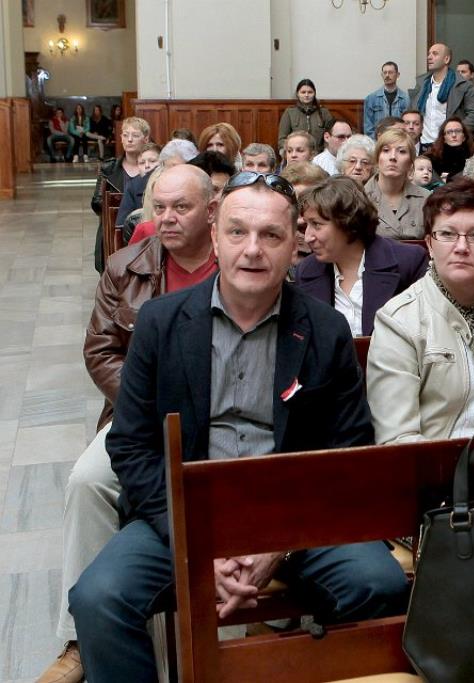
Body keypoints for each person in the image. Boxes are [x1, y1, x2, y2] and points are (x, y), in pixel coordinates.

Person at [69, 170, 409, 681]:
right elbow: (132, 447)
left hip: (291, 512)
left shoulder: (325, 329)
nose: (252, 249)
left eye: (271, 235)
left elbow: (348, 450)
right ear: (215, 236)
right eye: (237, 232)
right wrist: (195, 545)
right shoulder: (160, 322)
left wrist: (281, 541)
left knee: (378, 584)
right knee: (98, 599)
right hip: (186, 512)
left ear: (294, 245)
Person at [37, 165, 220, 683]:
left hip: (220, 416)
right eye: (159, 207)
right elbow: (100, 351)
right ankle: (82, 639)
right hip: (138, 416)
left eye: (180, 207)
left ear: (211, 210)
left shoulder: (234, 260)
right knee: (87, 480)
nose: (167, 218)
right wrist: (147, 406)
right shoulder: (126, 266)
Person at [366, 178, 474, 444]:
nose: (461, 247)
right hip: (441, 461)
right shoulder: (400, 321)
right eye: (447, 234)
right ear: (429, 243)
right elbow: (398, 438)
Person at [295, 176, 428, 337]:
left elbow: (427, 331)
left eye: (316, 224)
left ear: (347, 222)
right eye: (306, 225)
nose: (308, 237)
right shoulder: (306, 271)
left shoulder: (408, 262)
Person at [91, 116, 151, 272]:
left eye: (135, 135)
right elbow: (96, 203)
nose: (129, 140)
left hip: (144, 234)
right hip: (112, 231)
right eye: (125, 135)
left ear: (145, 139)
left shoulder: (151, 167)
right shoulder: (109, 167)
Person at [409, 43, 474, 145]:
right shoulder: (422, 84)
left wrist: (455, 132)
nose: (429, 57)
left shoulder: (462, 85)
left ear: (446, 59)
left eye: (435, 54)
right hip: (423, 144)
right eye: (429, 54)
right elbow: (411, 113)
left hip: (448, 146)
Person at [365, 128, 431, 239]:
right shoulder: (359, 198)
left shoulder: (427, 199)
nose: (392, 157)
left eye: (402, 151)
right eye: (386, 150)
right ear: (377, 158)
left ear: (411, 163)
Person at [278, 78, 333, 152]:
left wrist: (325, 153)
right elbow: (282, 140)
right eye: (303, 92)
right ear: (298, 94)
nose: (306, 95)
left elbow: (331, 136)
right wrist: (291, 152)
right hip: (297, 154)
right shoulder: (289, 112)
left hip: (319, 154)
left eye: (310, 92)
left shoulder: (324, 112)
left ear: (314, 93)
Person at [364, 61, 410, 139]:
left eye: (390, 72)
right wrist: (378, 141)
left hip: (399, 140)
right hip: (378, 141)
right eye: (385, 73)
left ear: (397, 75)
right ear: (382, 75)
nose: (387, 75)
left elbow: (407, 124)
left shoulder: (406, 99)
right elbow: (368, 128)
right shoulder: (371, 98)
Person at [427, 116, 473, 181]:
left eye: (458, 131)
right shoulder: (431, 159)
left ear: (464, 137)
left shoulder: (473, 158)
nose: (454, 135)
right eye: (449, 132)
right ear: (444, 138)